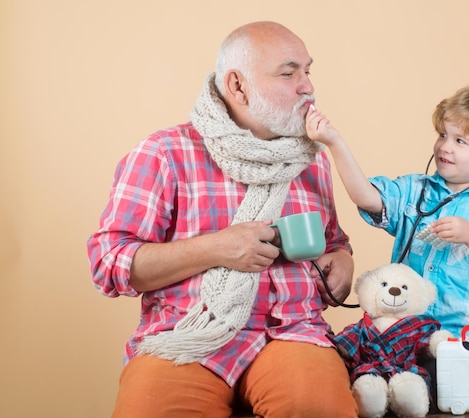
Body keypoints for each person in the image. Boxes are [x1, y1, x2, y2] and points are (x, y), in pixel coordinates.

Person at [87, 21, 359, 418]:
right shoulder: (163, 153)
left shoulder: (311, 159)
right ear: (238, 86)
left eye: (307, 71)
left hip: (292, 331)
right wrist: (216, 248)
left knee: (318, 407)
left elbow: (334, 241)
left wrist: (344, 260)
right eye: (289, 73)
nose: (307, 87)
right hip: (185, 333)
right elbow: (109, 265)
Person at [306, 83, 469, 351]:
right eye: (442, 135)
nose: (444, 147)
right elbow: (365, 196)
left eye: (460, 141)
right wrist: (335, 142)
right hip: (409, 338)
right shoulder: (415, 190)